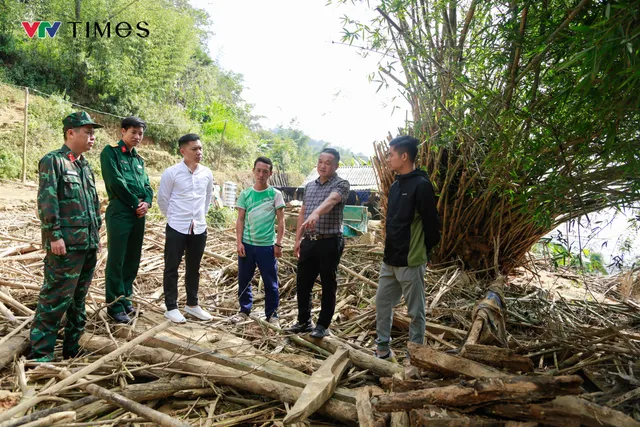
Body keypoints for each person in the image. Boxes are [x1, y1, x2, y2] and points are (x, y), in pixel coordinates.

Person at [29, 112, 103, 362]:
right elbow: (47, 201)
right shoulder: (54, 161)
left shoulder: (83, 165)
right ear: (71, 133)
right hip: (66, 246)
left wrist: (96, 238)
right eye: (87, 132)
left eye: (93, 133)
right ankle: (40, 355)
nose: (92, 137)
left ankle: (72, 348)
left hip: (87, 245)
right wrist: (54, 236)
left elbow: (92, 205)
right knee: (54, 299)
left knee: (78, 302)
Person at [375, 135, 440, 360]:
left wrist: (426, 252)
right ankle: (382, 349)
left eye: (391, 154)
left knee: (415, 312)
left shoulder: (421, 186)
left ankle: (416, 355)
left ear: (404, 156)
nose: (388, 159)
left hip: (411, 261)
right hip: (390, 259)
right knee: (382, 304)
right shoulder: (395, 186)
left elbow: (432, 224)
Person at [287, 148, 350, 338]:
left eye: (328, 162)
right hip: (309, 241)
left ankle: (323, 325)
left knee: (328, 283)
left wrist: (317, 213)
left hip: (330, 241)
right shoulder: (310, 186)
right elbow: (303, 212)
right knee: (303, 282)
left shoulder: (342, 184)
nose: (323, 165)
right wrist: (298, 239)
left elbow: (331, 201)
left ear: (336, 165)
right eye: (320, 161)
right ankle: (304, 321)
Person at [100, 116, 153, 324]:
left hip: (138, 214)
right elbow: (116, 183)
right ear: (122, 132)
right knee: (117, 259)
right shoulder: (110, 152)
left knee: (132, 259)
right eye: (133, 132)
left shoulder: (138, 160)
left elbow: (147, 186)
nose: (137, 137)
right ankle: (114, 305)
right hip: (121, 212)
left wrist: (147, 203)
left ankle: (125, 299)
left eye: (140, 133)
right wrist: (135, 203)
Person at [157, 134, 214, 323]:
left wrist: (200, 217)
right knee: (171, 267)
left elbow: (207, 199)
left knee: (194, 268)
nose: (199, 152)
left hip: (198, 227)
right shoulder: (171, 173)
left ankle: (192, 304)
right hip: (176, 226)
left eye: (200, 148)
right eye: (194, 149)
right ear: (183, 151)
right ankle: (171, 307)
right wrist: (174, 218)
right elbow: (163, 200)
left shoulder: (206, 173)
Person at [231, 157, 285, 326]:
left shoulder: (275, 195)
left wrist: (278, 243)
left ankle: (272, 315)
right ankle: (244, 311)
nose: (261, 174)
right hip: (247, 245)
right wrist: (239, 242)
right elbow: (240, 219)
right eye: (258, 170)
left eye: (265, 171)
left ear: (270, 173)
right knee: (244, 279)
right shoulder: (245, 194)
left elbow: (281, 221)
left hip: (267, 247)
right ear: (253, 171)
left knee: (270, 282)